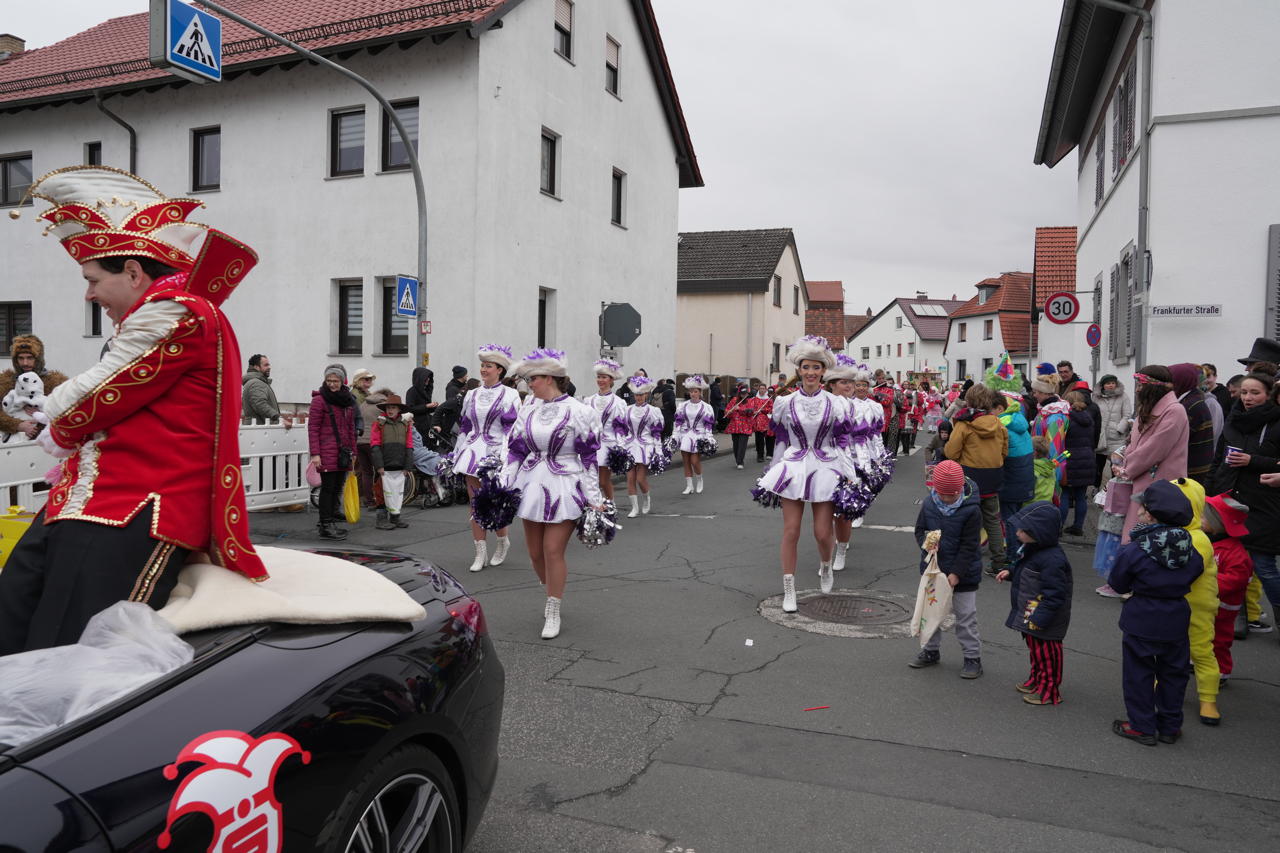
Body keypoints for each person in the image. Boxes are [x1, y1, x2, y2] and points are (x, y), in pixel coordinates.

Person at [0, 165, 268, 654]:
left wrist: (56, 423)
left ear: (132, 272)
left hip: (137, 509)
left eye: (92, 279)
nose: (88, 294)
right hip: (97, 504)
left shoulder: (178, 309)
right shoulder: (162, 310)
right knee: (16, 613)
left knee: (75, 648)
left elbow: (85, 400)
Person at [502, 349, 602, 639]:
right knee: (534, 553)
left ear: (548, 378)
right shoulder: (528, 409)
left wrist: (594, 499)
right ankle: (552, 593)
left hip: (565, 485)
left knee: (552, 550)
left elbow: (588, 459)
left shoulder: (580, 411)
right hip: (532, 482)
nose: (529, 384)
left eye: (533, 379)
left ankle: (553, 606)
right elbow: (516, 450)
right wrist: (504, 485)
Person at [754, 336, 859, 607]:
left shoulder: (836, 403)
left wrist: (850, 474)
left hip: (826, 467)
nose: (810, 373)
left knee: (823, 533)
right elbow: (780, 440)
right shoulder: (785, 403)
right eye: (805, 367)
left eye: (816, 367)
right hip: (794, 467)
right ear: (798, 370)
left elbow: (842, 442)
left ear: (824, 371)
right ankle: (789, 588)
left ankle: (825, 565)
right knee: (791, 531)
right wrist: (773, 471)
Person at [1110, 481, 1204, 746]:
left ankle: (1141, 725)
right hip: (1176, 615)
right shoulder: (1190, 550)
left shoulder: (1134, 550)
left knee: (1138, 673)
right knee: (1174, 673)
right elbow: (1196, 570)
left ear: (1149, 514)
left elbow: (1118, 583)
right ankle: (1169, 725)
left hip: (1142, 616)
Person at [1209, 370, 1280, 629]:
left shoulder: (1276, 422)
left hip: (1264, 501)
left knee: (1263, 565)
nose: (1248, 398)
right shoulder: (1234, 418)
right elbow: (1219, 458)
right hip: (1228, 498)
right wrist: (1211, 490)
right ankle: (1235, 617)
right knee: (1230, 563)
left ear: (1269, 395)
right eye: (1244, 392)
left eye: (1255, 393)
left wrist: (1254, 461)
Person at [909, 460, 984, 678]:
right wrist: (927, 543)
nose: (946, 499)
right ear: (934, 489)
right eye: (942, 494)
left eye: (951, 495)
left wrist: (956, 573)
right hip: (933, 569)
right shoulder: (929, 503)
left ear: (960, 489)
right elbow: (919, 530)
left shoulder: (972, 510)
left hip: (963, 573)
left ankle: (972, 657)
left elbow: (970, 545)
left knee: (965, 616)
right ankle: (930, 651)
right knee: (930, 611)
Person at [995, 501, 1072, 705]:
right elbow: (1024, 569)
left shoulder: (1052, 559)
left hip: (1044, 616)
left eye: (1023, 530)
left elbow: (1055, 593)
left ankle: (1049, 690)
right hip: (1032, 613)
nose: (1018, 533)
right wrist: (1010, 572)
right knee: (1036, 650)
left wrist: (1041, 617)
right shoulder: (1034, 549)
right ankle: (1038, 680)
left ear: (1040, 533)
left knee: (1048, 654)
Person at [453, 345, 521, 572]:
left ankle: (502, 542)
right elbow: (465, 425)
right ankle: (479, 551)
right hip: (472, 452)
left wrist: (504, 458)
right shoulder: (472, 394)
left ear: (499, 370)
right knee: (474, 504)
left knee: (494, 502)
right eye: (482, 365)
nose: (483, 369)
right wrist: (457, 452)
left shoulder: (510, 395)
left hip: (495, 453)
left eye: (488, 366)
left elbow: (511, 430)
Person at [1115, 366, 1189, 543]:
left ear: (1154, 386)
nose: (1138, 389)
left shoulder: (1174, 411)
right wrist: (1121, 460)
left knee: (1150, 534)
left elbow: (1155, 449)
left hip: (1161, 481)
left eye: (1141, 384)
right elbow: (1134, 443)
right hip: (1142, 477)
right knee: (1137, 529)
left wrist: (1127, 469)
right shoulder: (1147, 409)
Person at [1171, 478, 1222, 726]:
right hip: (1171, 605)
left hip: (1197, 607)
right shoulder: (1169, 533)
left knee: (1201, 651)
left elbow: (1182, 570)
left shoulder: (1198, 539)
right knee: (1166, 648)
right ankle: (1162, 687)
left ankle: (1208, 699)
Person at [945, 384, 1009, 574]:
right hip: (993, 475)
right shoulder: (998, 423)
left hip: (969, 476)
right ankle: (999, 560)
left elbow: (951, 451)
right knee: (992, 520)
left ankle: (960, 557)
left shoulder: (964, 424)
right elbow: (1004, 450)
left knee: (962, 517)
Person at [1202, 493, 1253, 688]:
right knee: (1199, 634)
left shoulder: (1236, 553)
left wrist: (1206, 581)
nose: (1200, 520)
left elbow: (1236, 580)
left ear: (1218, 524)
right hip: (1206, 602)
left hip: (1223, 607)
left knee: (1219, 640)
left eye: (1204, 517)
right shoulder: (1210, 541)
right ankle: (1196, 660)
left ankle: (1222, 671)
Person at [308, 364, 358, 540]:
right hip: (326, 451)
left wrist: (353, 451)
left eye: (335, 381)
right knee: (328, 489)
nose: (332, 384)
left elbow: (351, 428)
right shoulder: (319, 400)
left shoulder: (348, 400)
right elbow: (313, 428)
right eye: (328, 380)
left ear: (342, 381)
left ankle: (331, 519)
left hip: (342, 452)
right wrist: (315, 453)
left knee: (337, 487)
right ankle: (325, 525)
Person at [0, 335, 68, 440]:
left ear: (39, 358)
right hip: (12, 447)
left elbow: (70, 415)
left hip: (50, 444)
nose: (25, 363)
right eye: (21, 358)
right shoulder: (5, 382)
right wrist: (17, 425)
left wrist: (43, 417)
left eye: (30, 358)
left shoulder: (56, 382)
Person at [620, 375, 664, 518]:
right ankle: (634, 508)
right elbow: (622, 430)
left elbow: (657, 432)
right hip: (629, 445)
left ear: (646, 394)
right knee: (630, 478)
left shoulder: (653, 411)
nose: (638, 397)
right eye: (636, 394)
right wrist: (620, 445)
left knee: (640, 479)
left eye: (641, 394)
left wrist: (658, 451)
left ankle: (646, 499)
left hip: (645, 446)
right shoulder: (627, 410)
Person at [587, 358, 628, 502]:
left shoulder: (618, 402)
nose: (600, 380)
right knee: (590, 480)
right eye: (599, 377)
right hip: (591, 445)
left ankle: (611, 505)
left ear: (611, 380)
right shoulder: (589, 400)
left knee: (603, 481)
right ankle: (595, 506)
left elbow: (620, 427)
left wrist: (620, 446)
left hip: (608, 444)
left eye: (604, 377)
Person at [371, 394, 413, 530]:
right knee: (381, 492)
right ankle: (381, 519)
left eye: (393, 407)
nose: (390, 410)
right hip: (384, 465)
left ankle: (395, 517)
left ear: (399, 409)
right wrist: (379, 465)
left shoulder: (405, 425)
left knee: (397, 492)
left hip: (400, 464)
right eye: (388, 407)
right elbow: (375, 445)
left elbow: (409, 446)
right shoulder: (379, 424)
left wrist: (407, 465)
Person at [1170, 362, 1215, 486]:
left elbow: (1173, 440)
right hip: (1192, 469)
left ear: (1180, 381)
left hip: (1192, 472)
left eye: (1170, 381)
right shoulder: (1190, 401)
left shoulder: (1190, 405)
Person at [1060, 390, 1096, 536]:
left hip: (1069, 457)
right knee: (1081, 496)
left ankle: (1059, 527)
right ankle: (1078, 527)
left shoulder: (1065, 418)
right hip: (1087, 458)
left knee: (1064, 493)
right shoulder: (1088, 418)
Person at [1030, 374, 1069, 503]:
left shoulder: (1055, 417)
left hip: (1047, 471)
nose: (1034, 395)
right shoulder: (1046, 411)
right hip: (1040, 466)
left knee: (1052, 502)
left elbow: (1054, 449)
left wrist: (1050, 474)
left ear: (1044, 393)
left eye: (1036, 392)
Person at [674, 375, 716, 494]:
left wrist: (709, 437)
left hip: (699, 435)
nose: (693, 393)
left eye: (695, 391)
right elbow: (678, 421)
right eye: (691, 391)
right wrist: (675, 435)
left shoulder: (706, 407)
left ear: (700, 392)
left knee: (694, 461)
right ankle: (689, 486)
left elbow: (708, 424)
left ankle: (699, 479)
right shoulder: (683, 405)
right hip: (685, 435)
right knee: (686, 461)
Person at [1094, 375, 1131, 487]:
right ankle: (1096, 487)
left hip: (1117, 438)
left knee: (1116, 466)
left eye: (1113, 383)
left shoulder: (1123, 396)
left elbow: (1127, 414)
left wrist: (1120, 428)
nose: (1111, 385)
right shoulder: (1096, 397)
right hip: (1101, 436)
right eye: (1108, 383)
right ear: (1103, 385)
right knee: (1098, 466)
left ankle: (1113, 489)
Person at [352, 369, 381, 508]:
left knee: (365, 469)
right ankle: (361, 496)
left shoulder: (367, 395)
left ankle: (365, 496)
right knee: (362, 469)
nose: (368, 382)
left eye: (370, 379)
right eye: (365, 379)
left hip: (361, 435)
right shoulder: (356, 396)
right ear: (358, 381)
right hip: (362, 434)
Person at [241, 353, 291, 428]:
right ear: (256, 367)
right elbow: (260, 404)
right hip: (259, 431)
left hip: (259, 429)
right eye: (266, 365)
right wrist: (277, 418)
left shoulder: (257, 382)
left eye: (269, 365)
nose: (269, 367)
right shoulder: (256, 383)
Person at [724, 383, 756, 469]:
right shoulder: (734, 400)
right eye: (742, 393)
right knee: (736, 445)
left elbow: (751, 412)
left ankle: (740, 462)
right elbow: (727, 410)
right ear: (739, 393)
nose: (744, 395)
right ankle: (737, 460)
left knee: (742, 445)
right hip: (735, 426)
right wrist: (729, 412)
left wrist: (740, 409)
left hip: (745, 426)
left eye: (745, 393)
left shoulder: (750, 401)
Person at [404, 366, 438, 443]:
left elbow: (425, 410)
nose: (428, 379)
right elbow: (410, 409)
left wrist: (434, 407)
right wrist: (426, 406)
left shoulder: (425, 391)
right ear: (420, 378)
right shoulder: (411, 391)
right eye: (426, 377)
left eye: (429, 377)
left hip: (427, 425)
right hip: (418, 426)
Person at [754, 386, 777, 462]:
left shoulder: (769, 399)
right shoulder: (755, 399)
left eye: (763, 389)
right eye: (760, 388)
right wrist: (754, 411)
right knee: (759, 439)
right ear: (759, 389)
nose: (762, 390)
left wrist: (763, 410)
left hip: (767, 420)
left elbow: (771, 409)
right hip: (758, 422)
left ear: (765, 390)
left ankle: (769, 453)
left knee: (769, 438)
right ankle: (760, 455)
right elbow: (752, 407)